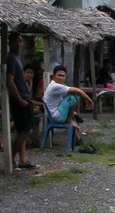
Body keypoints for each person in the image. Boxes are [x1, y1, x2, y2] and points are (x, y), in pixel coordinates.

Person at [6, 32, 37, 169]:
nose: (18, 44)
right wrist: (19, 99)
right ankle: (10, 159)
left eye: (20, 41)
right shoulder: (11, 59)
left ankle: (22, 160)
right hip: (20, 100)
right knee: (25, 131)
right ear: (9, 43)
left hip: (25, 98)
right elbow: (10, 81)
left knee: (23, 131)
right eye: (15, 42)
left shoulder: (16, 59)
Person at [43, 66, 94, 143]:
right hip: (56, 117)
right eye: (59, 75)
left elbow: (67, 87)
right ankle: (69, 119)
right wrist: (88, 99)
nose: (61, 78)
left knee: (71, 97)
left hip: (53, 114)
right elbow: (78, 91)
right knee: (75, 96)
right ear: (53, 76)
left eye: (63, 76)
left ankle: (78, 140)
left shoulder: (57, 85)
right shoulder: (55, 86)